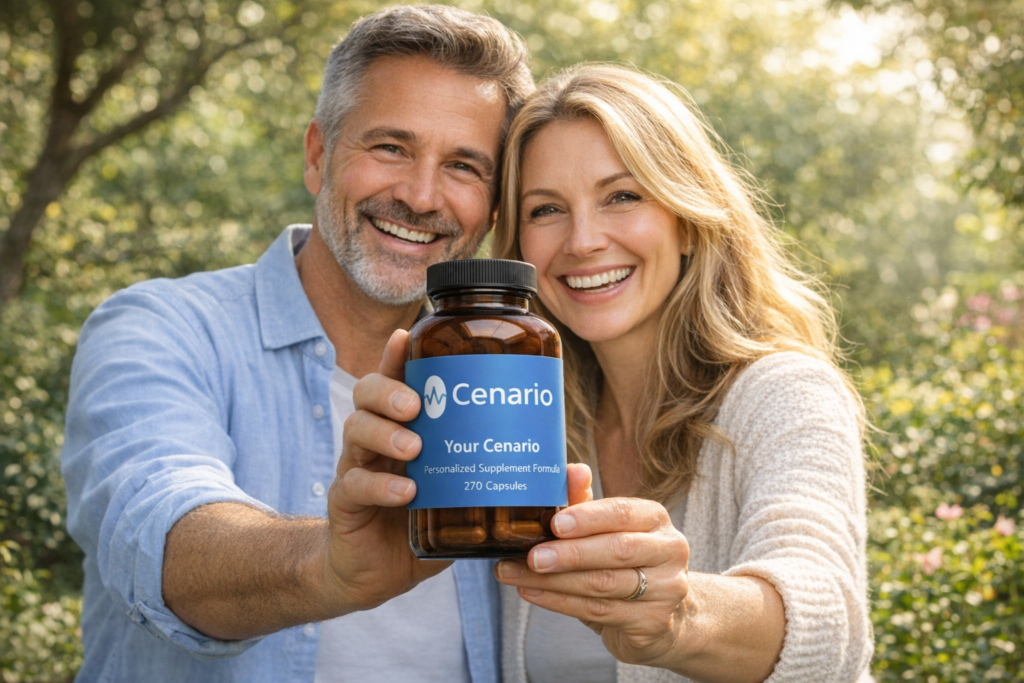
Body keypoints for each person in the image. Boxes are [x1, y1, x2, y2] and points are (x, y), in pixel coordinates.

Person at [61, 6, 586, 682]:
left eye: (462, 165)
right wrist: (327, 565)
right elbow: (159, 531)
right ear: (318, 155)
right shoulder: (161, 328)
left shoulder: (525, 373)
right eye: (390, 147)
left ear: (493, 205)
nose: (421, 196)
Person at [481, 65, 874, 682]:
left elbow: (830, 626)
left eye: (623, 196)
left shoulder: (784, 393)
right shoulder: (526, 424)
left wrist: (678, 618)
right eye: (547, 209)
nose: (583, 241)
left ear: (687, 219)